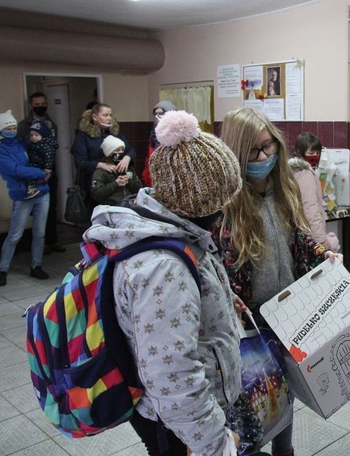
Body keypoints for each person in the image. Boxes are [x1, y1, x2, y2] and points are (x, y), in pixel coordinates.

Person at [83, 110, 244, 455]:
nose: (227, 208)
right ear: (205, 203)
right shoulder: (164, 268)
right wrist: (216, 444)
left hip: (182, 418)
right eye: (224, 199)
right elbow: (172, 376)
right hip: (176, 425)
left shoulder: (177, 231)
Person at [215, 106, 342, 456]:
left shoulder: (283, 184)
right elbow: (217, 265)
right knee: (254, 398)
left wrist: (322, 255)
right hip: (249, 320)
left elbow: (298, 239)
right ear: (237, 154)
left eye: (268, 146)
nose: (263, 156)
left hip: (288, 310)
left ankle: (284, 450)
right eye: (253, 151)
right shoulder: (225, 201)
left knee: (284, 393)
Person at [0, 110, 51, 287]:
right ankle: (2, 270)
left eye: (14, 127)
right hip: (22, 194)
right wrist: (40, 173)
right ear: (1, 129)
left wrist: (47, 170)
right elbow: (14, 170)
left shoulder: (20, 143)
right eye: (9, 127)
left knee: (39, 233)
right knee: (15, 234)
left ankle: (36, 266)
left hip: (42, 191)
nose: (12, 130)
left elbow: (38, 157)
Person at [17, 92, 65, 253]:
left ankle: (52, 241)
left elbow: (52, 146)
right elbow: (25, 147)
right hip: (34, 170)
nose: (41, 107)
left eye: (43, 103)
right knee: (36, 208)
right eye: (37, 105)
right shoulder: (24, 125)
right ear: (31, 106)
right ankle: (39, 244)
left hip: (50, 169)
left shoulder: (51, 124)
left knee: (52, 206)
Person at [71, 103, 136, 204]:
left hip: (116, 184)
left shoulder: (115, 133)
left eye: (110, 115)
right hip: (94, 184)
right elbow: (80, 162)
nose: (109, 118)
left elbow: (130, 150)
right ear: (95, 117)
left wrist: (127, 158)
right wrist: (100, 165)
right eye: (105, 115)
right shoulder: (84, 136)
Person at [288, 132, 340, 251]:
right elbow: (310, 207)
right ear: (299, 152)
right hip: (309, 236)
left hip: (297, 233)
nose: (315, 156)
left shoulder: (293, 170)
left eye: (318, 153)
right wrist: (321, 239)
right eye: (311, 153)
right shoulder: (305, 173)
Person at [90, 135, 143, 206]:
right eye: (117, 150)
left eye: (122, 150)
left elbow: (140, 190)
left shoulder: (129, 169)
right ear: (110, 153)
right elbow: (96, 194)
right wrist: (115, 184)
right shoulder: (101, 172)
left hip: (130, 206)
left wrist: (129, 181)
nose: (121, 153)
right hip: (110, 207)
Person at [141, 100, 177, 187]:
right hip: (153, 180)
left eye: (161, 113)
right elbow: (149, 158)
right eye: (155, 114)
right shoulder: (154, 135)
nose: (157, 117)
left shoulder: (177, 134)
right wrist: (146, 178)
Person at [25, 120, 57, 200]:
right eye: (32, 135)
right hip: (35, 164)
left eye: (36, 135)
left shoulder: (46, 146)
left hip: (39, 165)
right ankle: (31, 189)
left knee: (33, 177)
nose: (33, 137)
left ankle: (31, 189)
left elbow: (49, 157)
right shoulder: (34, 144)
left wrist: (48, 168)